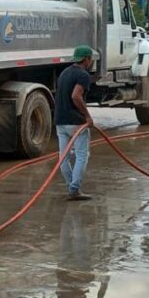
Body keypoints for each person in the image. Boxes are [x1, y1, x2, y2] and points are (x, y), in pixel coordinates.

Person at [55, 45, 96, 201]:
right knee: (81, 156)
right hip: (76, 122)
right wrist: (87, 116)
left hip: (60, 120)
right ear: (86, 59)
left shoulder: (65, 73)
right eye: (90, 59)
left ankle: (71, 186)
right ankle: (74, 189)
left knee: (63, 157)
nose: (91, 62)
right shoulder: (83, 75)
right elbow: (76, 96)